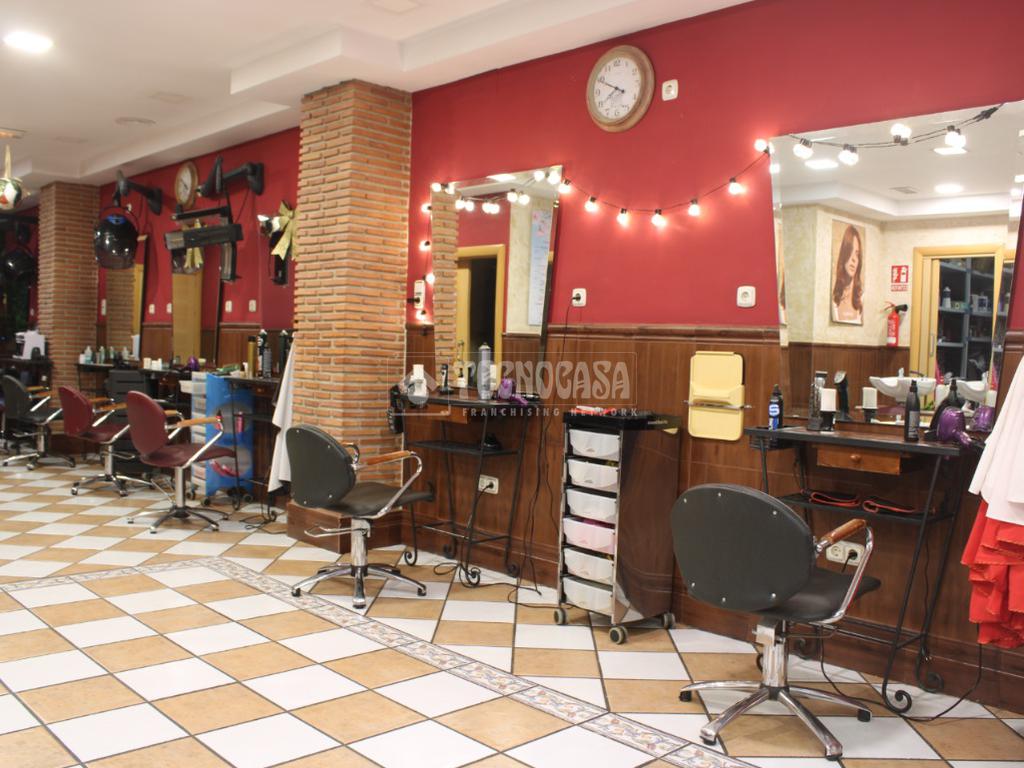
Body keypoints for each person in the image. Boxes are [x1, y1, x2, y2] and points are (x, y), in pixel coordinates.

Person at [832, 224, 863, 324]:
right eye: (850, 251)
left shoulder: (862, 301)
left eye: (857, 254)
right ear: (844, 253)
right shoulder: (833, 302)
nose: (854, 259)